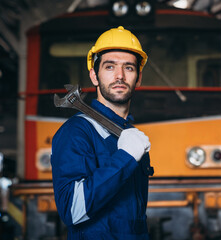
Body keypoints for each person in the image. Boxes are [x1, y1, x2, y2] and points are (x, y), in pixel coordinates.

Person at [51, 26, 154, 240]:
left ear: (139, 77)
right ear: (94, 76)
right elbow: (73, 210)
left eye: (129, 68)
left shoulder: (131, 136)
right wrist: (124, 158)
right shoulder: (76, 132)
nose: (119, 76)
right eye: (109, 67)